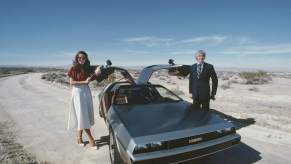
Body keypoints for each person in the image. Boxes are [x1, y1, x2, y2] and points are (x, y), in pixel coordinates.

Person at [67, 51, 101, 149]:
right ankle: (91, 140)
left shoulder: (87, 67)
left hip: (86, 91)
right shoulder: (73, 69)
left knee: (83, 115)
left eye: (83, 58)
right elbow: (71, 82)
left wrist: (98, 70)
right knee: (83, 114)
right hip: (77, 92)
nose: (81, 59)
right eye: (80, 58)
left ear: (86, 59)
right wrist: (84, 81)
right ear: (77, 59)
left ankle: (79, 138)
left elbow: (99, 67)